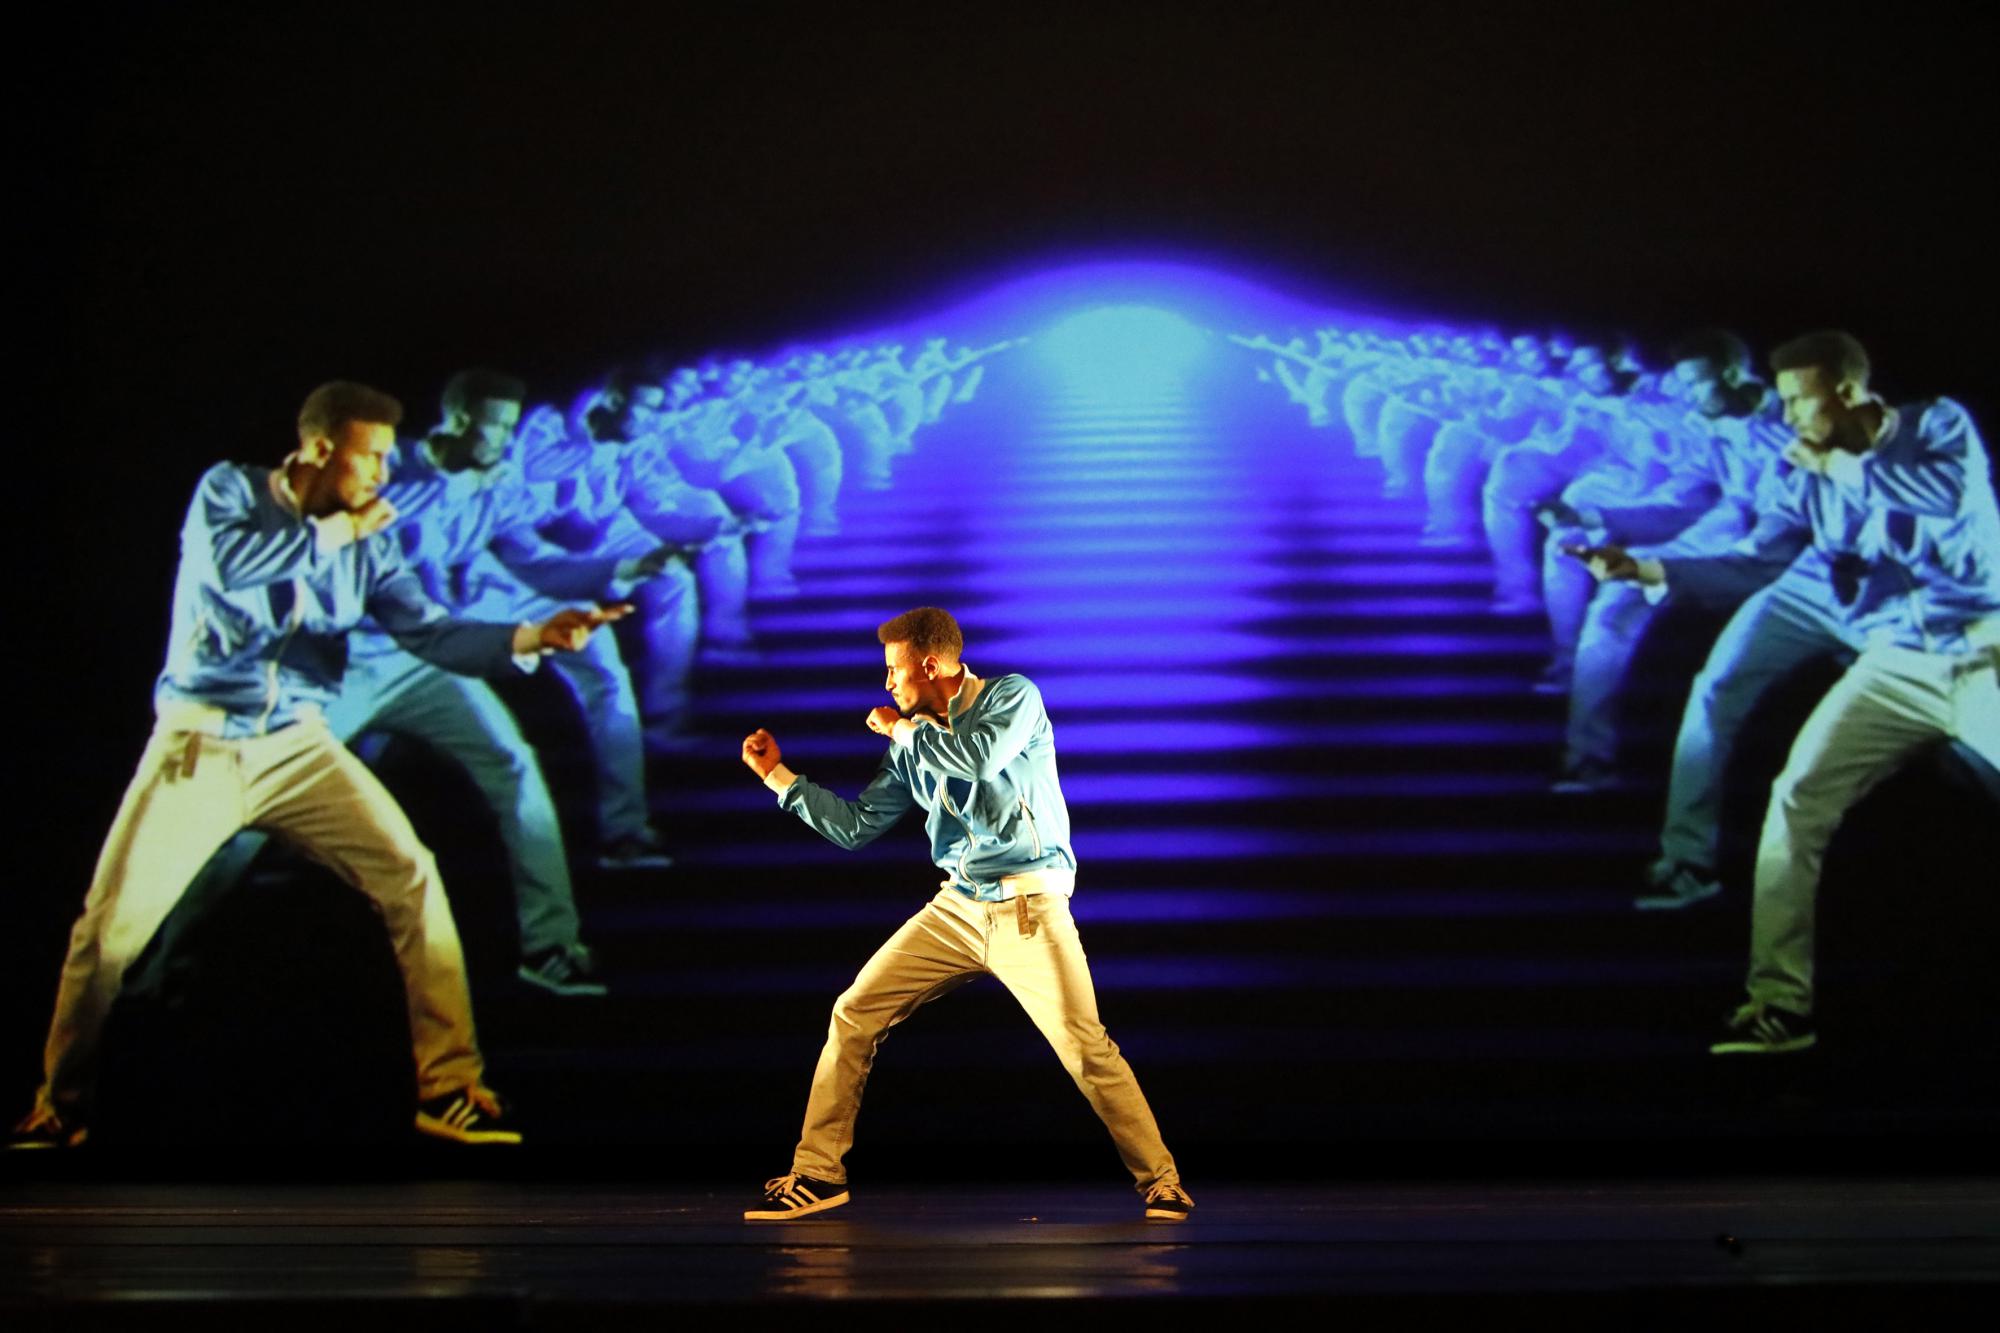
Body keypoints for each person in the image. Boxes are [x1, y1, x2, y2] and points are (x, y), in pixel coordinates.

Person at [11, 382, 625, 1148]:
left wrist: (532, 637)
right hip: (198, 743)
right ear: (318, 449)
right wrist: (342, 536)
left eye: (388, 460)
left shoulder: (368, 536)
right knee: (106, 934)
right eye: (369, 458)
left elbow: (429, 631)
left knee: (411, 874)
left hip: (298, 745)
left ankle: (449, 1086)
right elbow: (233, 567)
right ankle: (59, 1106)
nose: (381, 476)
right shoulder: (230, 490)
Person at [1575, 333, 2000, 1027]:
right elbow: (1760, 554)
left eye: (1801, 400)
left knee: (1966, 766)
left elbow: (1945, 494)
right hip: (1854, 618)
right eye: (1783, 401)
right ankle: (1756, 968)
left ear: (1851, 393)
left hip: (1971, 636)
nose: (1788, 415)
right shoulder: (1798, 463)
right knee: (1759, 740)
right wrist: (1651, 570)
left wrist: (1837, 466)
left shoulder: (1938, 424)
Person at [737, 607, 1193, 1222]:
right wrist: (779, 777)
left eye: (894, 669)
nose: (888, 685)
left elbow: (979, 757)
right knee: (854, 1011)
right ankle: (818, 1173)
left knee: (1085, 1047)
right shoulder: (913, 741)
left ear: (930, 664)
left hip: (1030, 903)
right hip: (956, 906)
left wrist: (902, 732)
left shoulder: (1012, 697)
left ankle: (1161, 1180)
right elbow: (857, 826)